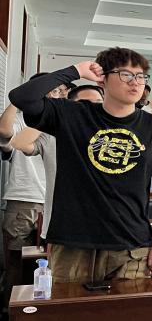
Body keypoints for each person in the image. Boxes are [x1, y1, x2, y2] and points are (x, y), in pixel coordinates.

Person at [8, 48, 152, 283]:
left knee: (129, 307)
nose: (135, 82)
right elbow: (21, 97)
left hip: (131, 244)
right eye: (125, 74)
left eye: (140, 76)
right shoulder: (72, 115)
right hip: (73, 242)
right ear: (103, 79)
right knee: (69, 306)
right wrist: (75, 71)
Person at [10, 85, 104, 246]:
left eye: (98, 103)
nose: (92, 108)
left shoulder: (111, 137)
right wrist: (54, 116)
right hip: (63, 228)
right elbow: (19, 143)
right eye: (85, 104)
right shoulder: (53, 134)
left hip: (104, 229)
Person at [0, 73, 51, 312]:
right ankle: (10, 314)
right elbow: (4, 131)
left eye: (60, 90)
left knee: (47, 264)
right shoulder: (20, 120)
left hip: (53, 201)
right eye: (51, 90)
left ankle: (38, 311)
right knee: (16, 261)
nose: (56, 94)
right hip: (24, 199)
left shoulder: (63, 120)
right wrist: (19, 98)